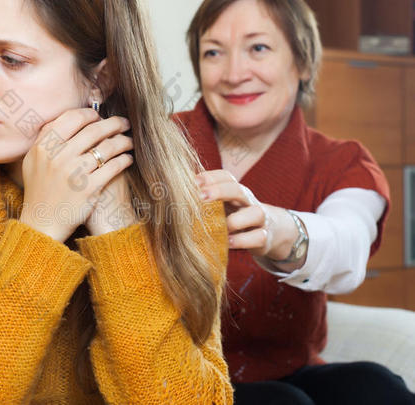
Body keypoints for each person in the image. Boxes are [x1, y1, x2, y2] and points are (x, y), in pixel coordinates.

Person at [0, 0, 234, 404]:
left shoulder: (185, 200)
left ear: (101, 79)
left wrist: (118, 228)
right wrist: (40, 229)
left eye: (11, 59)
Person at [174, 0, 415, 404]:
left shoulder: (343, 164)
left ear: (303, 62)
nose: (234, 74)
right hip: (172, 376)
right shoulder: (158, 143)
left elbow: (347, 244)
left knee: (377, 387)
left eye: (258, 48)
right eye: (213, 52)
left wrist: (279, 231)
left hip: (288, 371)